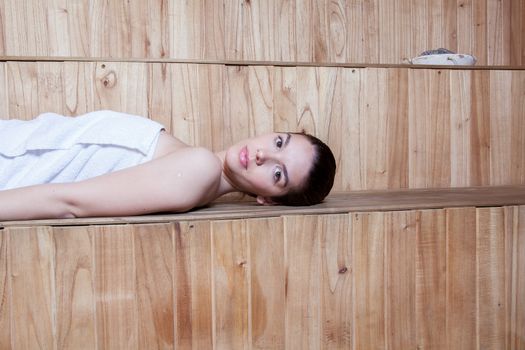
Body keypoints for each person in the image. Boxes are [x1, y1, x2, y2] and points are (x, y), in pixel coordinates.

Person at [0, 110, 336, 220]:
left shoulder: (198, 169)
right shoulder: (190, 162)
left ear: (270, 199)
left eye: (278, 174)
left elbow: (67, 202)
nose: (263, 155)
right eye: (279, 142)